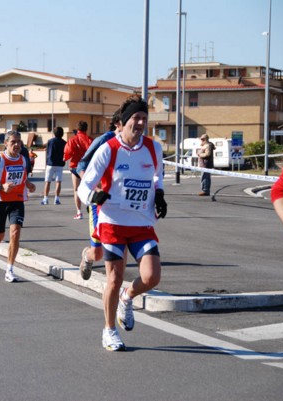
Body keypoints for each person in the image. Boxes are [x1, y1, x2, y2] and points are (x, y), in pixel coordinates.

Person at [77, 95, 166, 351]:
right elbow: (84, 186)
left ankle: (128, 298)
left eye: (144, 119)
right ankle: (109, 331)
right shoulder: (109, 149)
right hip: (112, 222)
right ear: (124, 122)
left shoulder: (153, 148)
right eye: (135, 118)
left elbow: (158, 177)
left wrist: (159, 195)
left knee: (151, 277)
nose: (140, 123)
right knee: (114, 279)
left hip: (141, 222)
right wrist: (94, 196)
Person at [0, 130, 36, 282]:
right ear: (5, 143)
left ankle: (9, 269)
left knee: (15, 233)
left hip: (17, 200)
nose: (17, 145)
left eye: (19, 142)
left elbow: (23, 179)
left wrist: (29, 185)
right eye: (13, 142)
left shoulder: (24, 160)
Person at [76, 112, 121, 280]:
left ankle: (118, 292)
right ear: (118, 123)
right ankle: (87, 257)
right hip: (98, 202)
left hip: (120, 204)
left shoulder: (137, 144)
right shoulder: (104, 141)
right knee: (98, 253)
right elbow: (81, 164)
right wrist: (92, 187)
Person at [64, 121, 93, 219]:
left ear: (77, 129)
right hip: (87, 167)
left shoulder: (73, 140)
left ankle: (79, 212)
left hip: (76, 166)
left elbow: (68, 152)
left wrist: (65, 158)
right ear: (86, 129)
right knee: (89, 187)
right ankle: (90, 207)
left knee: (76, 189)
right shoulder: (90, 140)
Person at [41, 127, 67, 206]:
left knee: (47, 182)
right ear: (62, 134)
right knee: (58, 181)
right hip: (59, 164)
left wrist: (47, 161)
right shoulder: (64, 142)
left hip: (50, 163)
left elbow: (48, 152)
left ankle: (45, 199)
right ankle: (57, 199)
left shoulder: (50, 141)